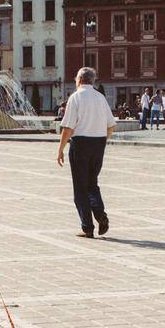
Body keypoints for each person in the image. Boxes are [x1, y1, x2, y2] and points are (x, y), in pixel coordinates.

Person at [56, 67, 115, 238]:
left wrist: (60, 149)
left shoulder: (76, 97)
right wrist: (102, 140)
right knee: (92, 183)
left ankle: (87, 227)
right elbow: (111, 125)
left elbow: (68, 127)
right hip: (99, 143)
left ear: (80, 80)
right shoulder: (100, 97)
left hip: (81, 143)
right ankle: (100, 214)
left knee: (80, 188)